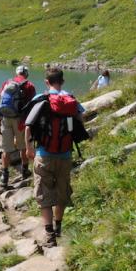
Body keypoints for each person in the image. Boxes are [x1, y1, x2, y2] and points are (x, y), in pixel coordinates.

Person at [25, 68, 84, 248]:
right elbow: (80, 119)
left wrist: (29, 149)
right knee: (62, 192)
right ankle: (58, 227)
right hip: (65, 155)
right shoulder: (71, 99)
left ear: (46, 82)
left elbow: (28, 126)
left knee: (43, 194)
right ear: (62, 81)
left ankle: (49, 235)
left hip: (44, 154)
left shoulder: (40, 99)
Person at [0, 65, 36, 187]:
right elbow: (32, 105)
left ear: (16, 73)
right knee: (23, 147)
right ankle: (24, 171)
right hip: (20, 120)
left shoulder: (7, 82)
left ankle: (4, 177)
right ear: (26, 74)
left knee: (5, 150)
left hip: (5, 118)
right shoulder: (29, 85)